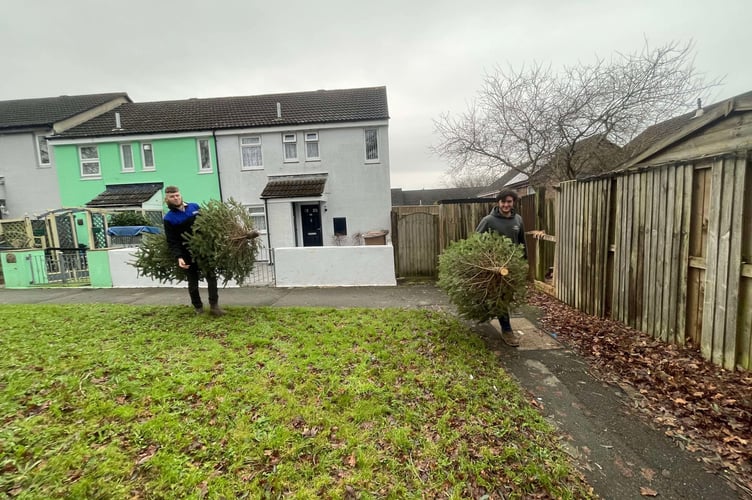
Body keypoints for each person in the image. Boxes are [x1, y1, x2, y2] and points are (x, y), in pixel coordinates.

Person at [475, 189, 527, 346]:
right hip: (495, 267)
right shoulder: (489, 220)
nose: (506, 205)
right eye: (503, 202)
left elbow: (522, 242)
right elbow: (476, 241)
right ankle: (507, 331)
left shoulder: (518, 219)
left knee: (506, 297)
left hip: (513, 266)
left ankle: (489, 313)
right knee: (501, 298)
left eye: (509, 202)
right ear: (498, 203)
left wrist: (524, 263)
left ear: (513, 203)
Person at [163, 185, 224, 316]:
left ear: (180, 195)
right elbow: (172, 240)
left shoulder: (194, 207)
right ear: (167, 199)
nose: (175, 198)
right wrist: (179, 257)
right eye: (172, 197)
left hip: (204, 250)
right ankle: (198, 308)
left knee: (211, 278)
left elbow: (207, 223)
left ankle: (214, 306)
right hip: (187, 254)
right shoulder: (169, 218)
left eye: (177, 195)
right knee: (193, 282)